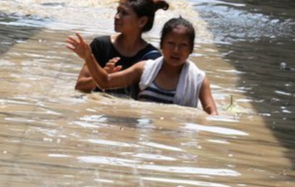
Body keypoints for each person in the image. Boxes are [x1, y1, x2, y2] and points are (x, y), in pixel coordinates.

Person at [68, 17, 219, 115]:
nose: (176, 50)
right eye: (171, 43)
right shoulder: (143, 69)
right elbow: (105, 82)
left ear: (191, 50)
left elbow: (212, 114)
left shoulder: (199, 80)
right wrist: (89, 57)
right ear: (161, 45)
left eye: (183, 45)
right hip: (143, 136)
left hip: (177, 141)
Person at [75, 0, 167, 96]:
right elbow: (80, 86)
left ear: (142, 21)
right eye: (117, 11)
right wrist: (100, 76)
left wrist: (105, 78)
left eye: (124, 13)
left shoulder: (152, 57)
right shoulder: (101, 45)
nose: (117, 16)